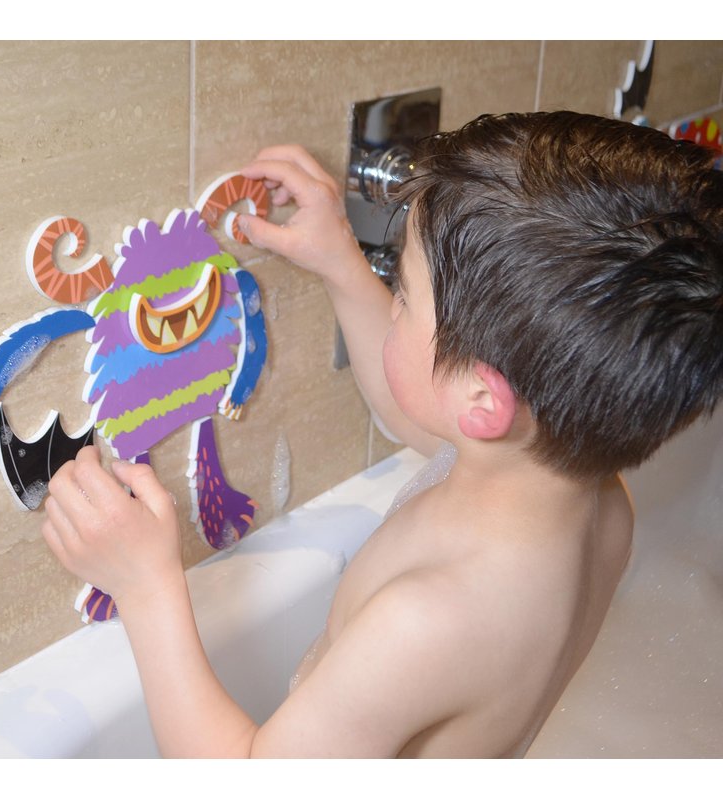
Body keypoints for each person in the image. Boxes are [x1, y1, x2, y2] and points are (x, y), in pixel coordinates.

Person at [42, 111, 723, 757]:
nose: (392, 300)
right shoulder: (595, 503)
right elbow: (428, 415)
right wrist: (340, 262)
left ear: (483, 398)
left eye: (403, 293)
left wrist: (146, 586)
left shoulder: (425, 621)